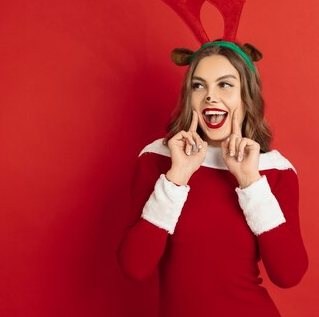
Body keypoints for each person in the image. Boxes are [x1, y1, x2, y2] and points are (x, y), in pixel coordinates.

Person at [117, 41, 308, 317]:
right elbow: (134, 266)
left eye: (225, 85)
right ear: (189, 96)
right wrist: (177, 178)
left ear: (247, 95)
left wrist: (250, 182)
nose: (210, 96)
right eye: (199, 85)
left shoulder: (275, 170)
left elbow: (288, 274)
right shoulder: (158, 158)